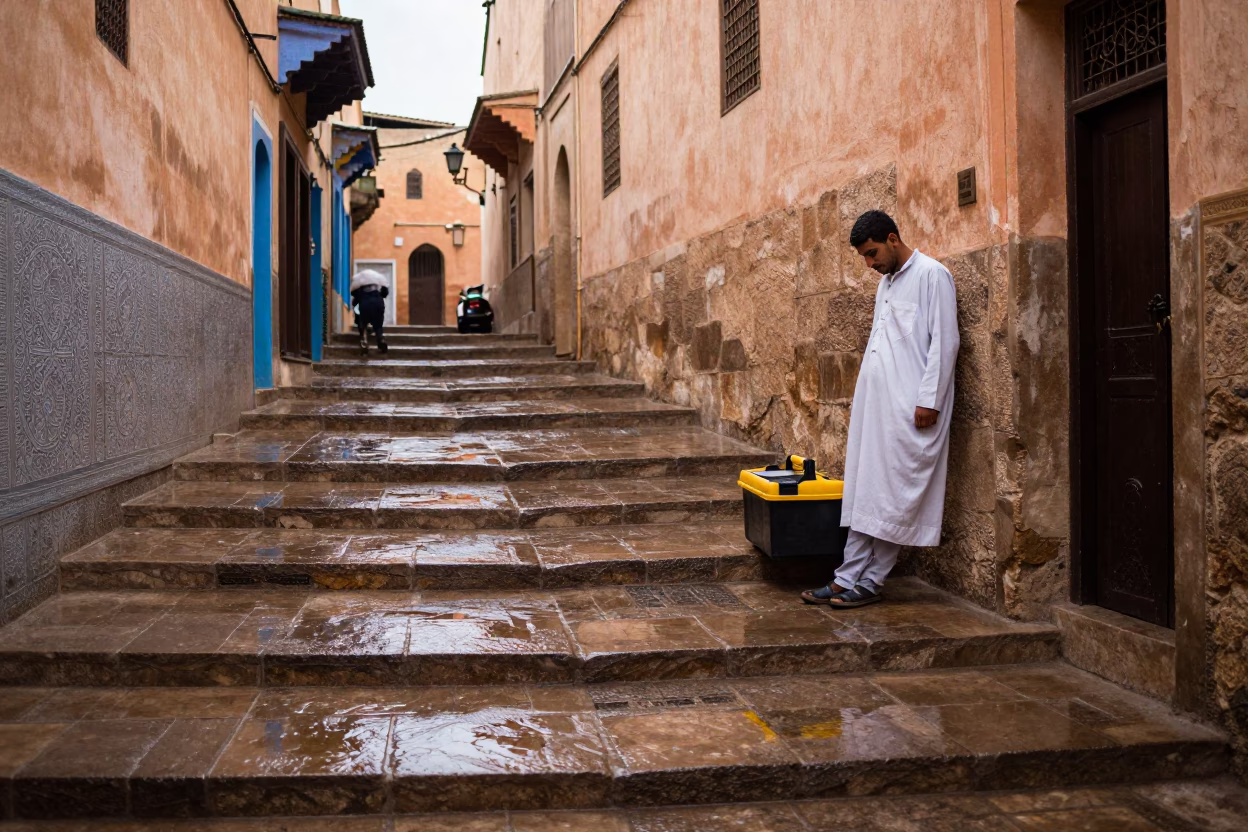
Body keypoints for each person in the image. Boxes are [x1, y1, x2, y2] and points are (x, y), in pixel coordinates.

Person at [801, 210, 959, 608]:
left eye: (872, 254)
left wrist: (929, 400)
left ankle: (871, 581)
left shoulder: (932, 276)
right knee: (867, 491)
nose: (870, 265)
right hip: (877, 409)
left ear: (892, 238)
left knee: (894, 496)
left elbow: (945, 342)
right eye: (864, 259)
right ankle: (845, 577)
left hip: (912, 410)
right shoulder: (885, 285)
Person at [350, 269, 389, 355]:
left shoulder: (359, 287)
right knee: (378, 325)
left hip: (365, 305)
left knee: (362, 323)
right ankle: (381, 339)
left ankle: (364, 341)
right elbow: (385, 293)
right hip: (378, 303)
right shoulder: (378, 281)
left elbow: (354, 297)